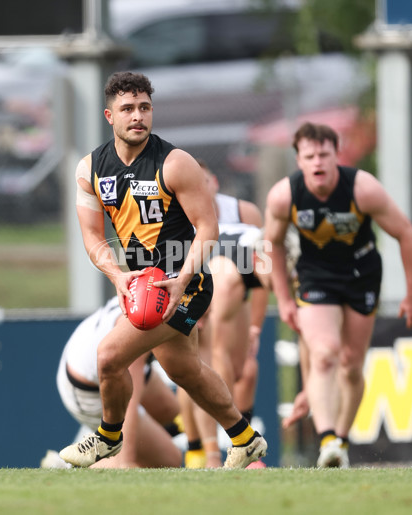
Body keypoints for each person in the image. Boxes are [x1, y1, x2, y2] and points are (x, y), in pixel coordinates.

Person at [58, 71, 267, 469]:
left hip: (187, 281)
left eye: (144, 108)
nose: (137, 116)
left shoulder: (175, 163)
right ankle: (244, 438)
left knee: (108, 357)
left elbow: (208, 228)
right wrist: (119, 277)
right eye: (127, 109)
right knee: (183, 370)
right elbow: (91, 236)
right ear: (109, 116)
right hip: (143, 283)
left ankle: (106, 438)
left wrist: (182, 279)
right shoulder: (90, 170)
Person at [264, 122, 412, 468]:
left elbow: (407, 234)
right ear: (299, 160)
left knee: (352, 365)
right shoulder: (284, 196)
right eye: (310, 156)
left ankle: (340, 438)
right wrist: (282, 299)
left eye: (325, 154)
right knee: (325, 354)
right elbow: (272, 245)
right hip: (314, 276)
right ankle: (328, 442)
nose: (318, 162)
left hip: (360, 275)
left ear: (337, 156)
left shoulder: (363, 188)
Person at [180, 161, 269, 468]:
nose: (200, 189)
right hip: (198, 301)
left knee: (246, 370)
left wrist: (256, 327)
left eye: (204, 181)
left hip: (236, 299)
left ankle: (243, 446)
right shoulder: (181, 217)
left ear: (214, 181)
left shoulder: (245, 213)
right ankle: (205, 452)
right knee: (198, 369)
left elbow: (260, 278)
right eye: (194, 184)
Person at [41, 297, 183, 468]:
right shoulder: (145, 320)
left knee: (170, 411)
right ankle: (69, 466)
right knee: (170, 459)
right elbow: (130, 404)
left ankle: (136, 445)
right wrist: (126, 463)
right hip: (85, 390)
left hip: (93, 362)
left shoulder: (157, 296)